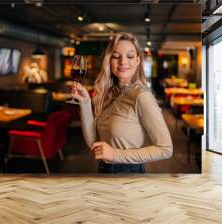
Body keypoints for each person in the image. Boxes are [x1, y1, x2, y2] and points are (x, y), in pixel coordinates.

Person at [71, 32, 173, 174]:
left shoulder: (142, 96)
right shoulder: (111, 93)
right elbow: (94, 143)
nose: (123, 62)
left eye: (130, 56)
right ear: (109, 61)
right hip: (104, 171)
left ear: (138, 61)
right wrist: (85, 103)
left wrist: (115, 155)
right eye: (116, 56)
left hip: (128, 174)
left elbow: (166, 149)